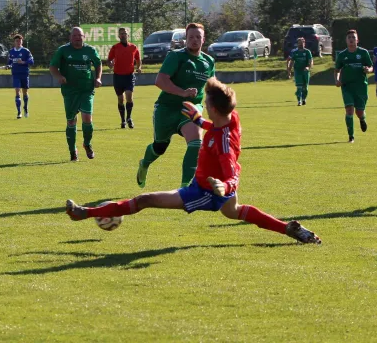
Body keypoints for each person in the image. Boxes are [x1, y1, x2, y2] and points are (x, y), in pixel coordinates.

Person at [66, 77, 321, 245]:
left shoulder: (222, 144)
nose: (205, 106)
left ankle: (84, 213)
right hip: (211, 186)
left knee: (145, 200)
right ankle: (289, 229)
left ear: (214, 108)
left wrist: (223, 187)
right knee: (234, 212)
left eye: (207, 104)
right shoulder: (231, 119)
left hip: (205, 191)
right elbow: (216, 125)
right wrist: (199, 121)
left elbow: (231, 173)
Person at [136, 23, 214, 189]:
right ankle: (144, 164)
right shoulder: (176, 56)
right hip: (166, 108)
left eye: (198, 37)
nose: (194, 40)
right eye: (191, 37)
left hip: (191, 108)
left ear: (203, 39)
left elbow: (212, 87)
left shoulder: (208, 61)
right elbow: (160, 80)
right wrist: (182, 92)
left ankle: (186, 188)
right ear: (186, 39)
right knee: (160, 147)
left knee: (195, 143)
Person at [49, 27, 102, 161]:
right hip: (70, 90)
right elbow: (53, 67)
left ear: (84, 37)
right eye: (74, 35)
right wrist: (59, 76)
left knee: (87, 118)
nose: (77, 37)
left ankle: (87, 144)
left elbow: (98, 64)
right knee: (71, 121)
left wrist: (98, 77)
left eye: (80, 35)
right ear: (70, 37)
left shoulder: (90, 50)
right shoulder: (63, 50)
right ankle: (73, 151)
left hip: (86, 89)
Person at [334, 29, 374, 143]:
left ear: (357, 40)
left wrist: (368, 70)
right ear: (346, 41)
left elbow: (371, 67)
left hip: (361, 86)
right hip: (347, 86)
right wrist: (337, 80)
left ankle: (362, 119)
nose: (351, 39)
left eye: (353, 37)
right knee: (349, 110)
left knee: (359, 112)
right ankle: (351, 136)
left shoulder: (363, 53)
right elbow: (337, 70)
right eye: (349, 38)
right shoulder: (342, 55)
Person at [108, 27, 142, 128]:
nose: (123, 35)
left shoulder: (133, 47)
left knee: (129, 96)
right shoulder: (115, 47)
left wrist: (139, 67)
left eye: (125, 33)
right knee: (120, 99)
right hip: (118, 76)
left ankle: (129, 118)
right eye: (121, 34)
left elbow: (138, 59)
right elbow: (109, 60)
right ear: (119, 36)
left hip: (129, 76)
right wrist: (110, 64)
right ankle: (123, 120)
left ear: (128, 35)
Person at [7, 34, 34, 118]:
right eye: (16, 41)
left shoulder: (26, 51)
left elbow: (31, 61)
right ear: (14, 42)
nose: (18, 42)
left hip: (24, 74)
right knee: (17, 91)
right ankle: (19, 112)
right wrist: (8, 66)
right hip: (16, 74)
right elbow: (9, 63)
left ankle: (25, 107)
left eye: (20, 41)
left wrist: (23, 62)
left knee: (25, 92)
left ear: (22, 41)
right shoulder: (11, 52)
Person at [287, 37, 313, 106]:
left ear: (304, 43)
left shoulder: (307, 52)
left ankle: (304, 99)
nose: (300, 45)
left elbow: (311, 61)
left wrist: (308, 67)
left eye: (302, 43)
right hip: (297, 71)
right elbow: (291, 62)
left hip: (305, 71)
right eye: (299, 43)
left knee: (305, 88)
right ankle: (299, 101)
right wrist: (289, 71)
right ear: (297, 44)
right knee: (299, 87)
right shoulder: (295, 52)